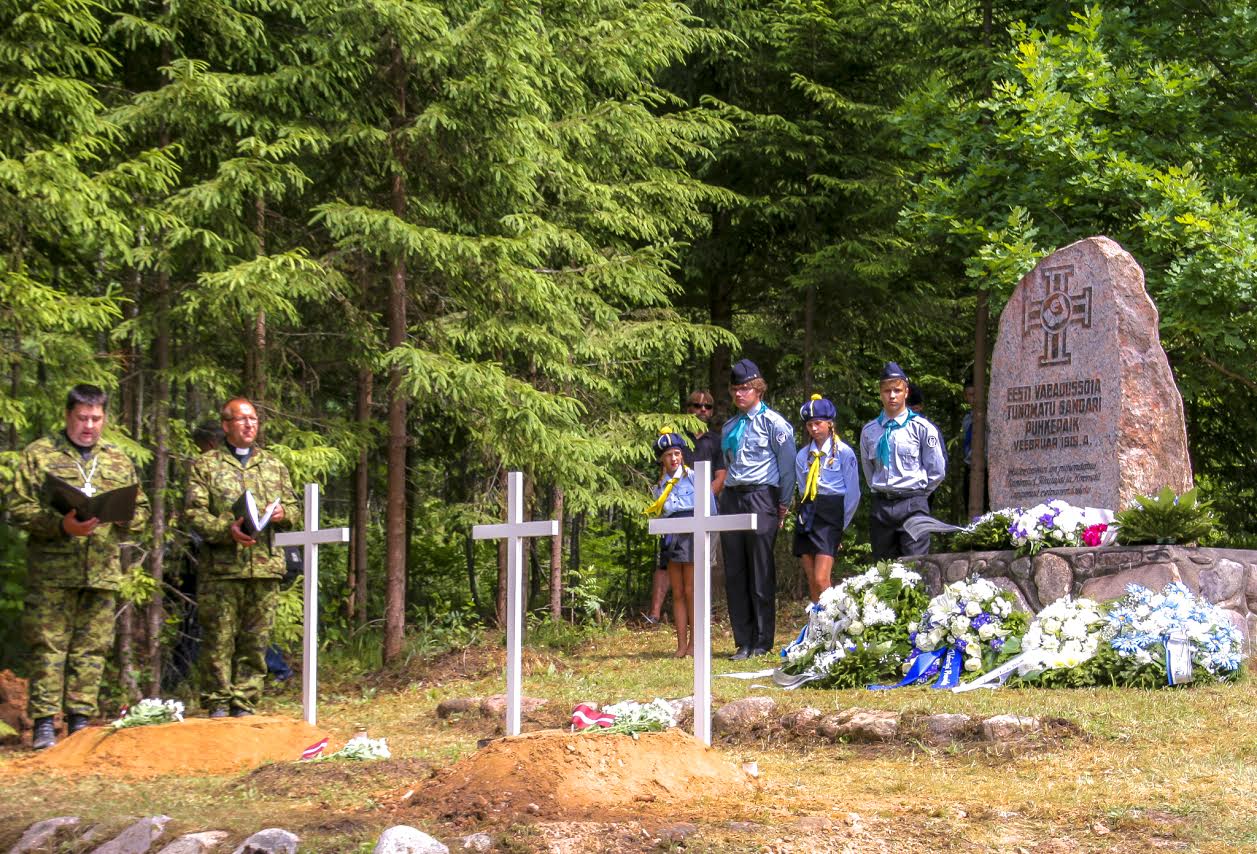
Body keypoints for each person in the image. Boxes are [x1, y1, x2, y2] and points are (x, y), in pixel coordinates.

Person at [9, 384, 150, 750]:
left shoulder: (117, 459)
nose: (89, 425)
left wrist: (124, 518)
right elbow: (17, 507)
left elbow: (143, 510)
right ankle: (43, 723)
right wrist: (60, 525)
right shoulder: (39, 454)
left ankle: (80, 722)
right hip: (53, 571)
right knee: (48, 647)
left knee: (92, 649)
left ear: (104, 417)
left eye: (96, 418)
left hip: (101, 570)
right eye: (82, 418)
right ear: (68, 415)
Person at [184, 397, 297, 717]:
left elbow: (294, 508)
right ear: (225, 425)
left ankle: (244, 701)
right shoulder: (206, 465)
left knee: (255, 641)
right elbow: (193, 513)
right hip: (222, 568)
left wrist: (282, 513)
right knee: (218, 640)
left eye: (253, 419)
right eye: (241, 419)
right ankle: (218, 701)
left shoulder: (273, 465)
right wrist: (225, 529)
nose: (249, 425)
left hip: (263, 567)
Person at [718, 359, 794, 660]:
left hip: (763, 496)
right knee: (735, 571)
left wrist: (782, 504)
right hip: (734, 496)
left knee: (760, 569)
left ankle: (762, 641)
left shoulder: (774, 424)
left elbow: (787, 468)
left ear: (758, 389)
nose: (739, 394)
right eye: (735, 389)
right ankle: (743, 640)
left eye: (745, 388)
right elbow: (728, 463)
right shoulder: (730, 426)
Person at [644, 390, 726, 625]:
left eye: (707, 406)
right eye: (697, 405)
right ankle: (655, 613)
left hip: (703, 509)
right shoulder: (677, 440)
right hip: (675, 513)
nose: (702, 410)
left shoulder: (715, 441)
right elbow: (665, 474)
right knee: (666, 563)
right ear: (687, 407)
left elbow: (721, 475)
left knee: (700, 569)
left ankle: (702, 617)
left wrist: (703, 497)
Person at [859, 363, 946, 559]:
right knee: (883, 572)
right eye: (887, 391)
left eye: (897, 390)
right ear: (880, 393)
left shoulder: (922, 428)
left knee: (914, 568)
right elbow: (869, 470)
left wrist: (918, 495)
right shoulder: (870, 431)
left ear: (906, 392)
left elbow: (937, 471)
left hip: (913, 504)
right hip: (882, 505)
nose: (892, 396)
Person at [643, 429, 708, 657]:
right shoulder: (659, 485)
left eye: (677, 453)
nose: (674, 459)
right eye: (669, 454)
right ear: (662, 458)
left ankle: (695, 643)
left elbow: (710, 507)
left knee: (692, 590)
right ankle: (681, 644)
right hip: (671, 534)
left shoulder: (694, 477)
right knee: (678, 591)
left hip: (692, 532)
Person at [793, 394, 860, 602]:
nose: (813, 428)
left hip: (831, 514)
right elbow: (803, 487)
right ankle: (816, 627)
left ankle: (831, 623)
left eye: (818, 423)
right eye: (809, 424)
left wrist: (841, 526)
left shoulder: (843, 453)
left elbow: (853, 493)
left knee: (823, 579)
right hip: (808, 512)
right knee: (812, 579)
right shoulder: (803, 455)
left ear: (830, 424)